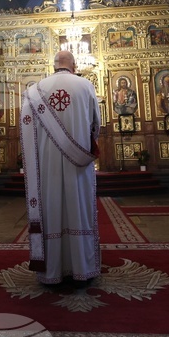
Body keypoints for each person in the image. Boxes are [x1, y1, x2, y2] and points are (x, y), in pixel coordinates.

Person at [19, 51, 102, 288]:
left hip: (47, 165)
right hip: (78, 164)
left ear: (53, 66)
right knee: (79, 209)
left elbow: (28, 130)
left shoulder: (36, 90)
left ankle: (53, 269)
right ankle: (82, 269)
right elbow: (96, 126)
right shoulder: (85, 85)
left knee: (52, 209)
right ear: (74, 65)